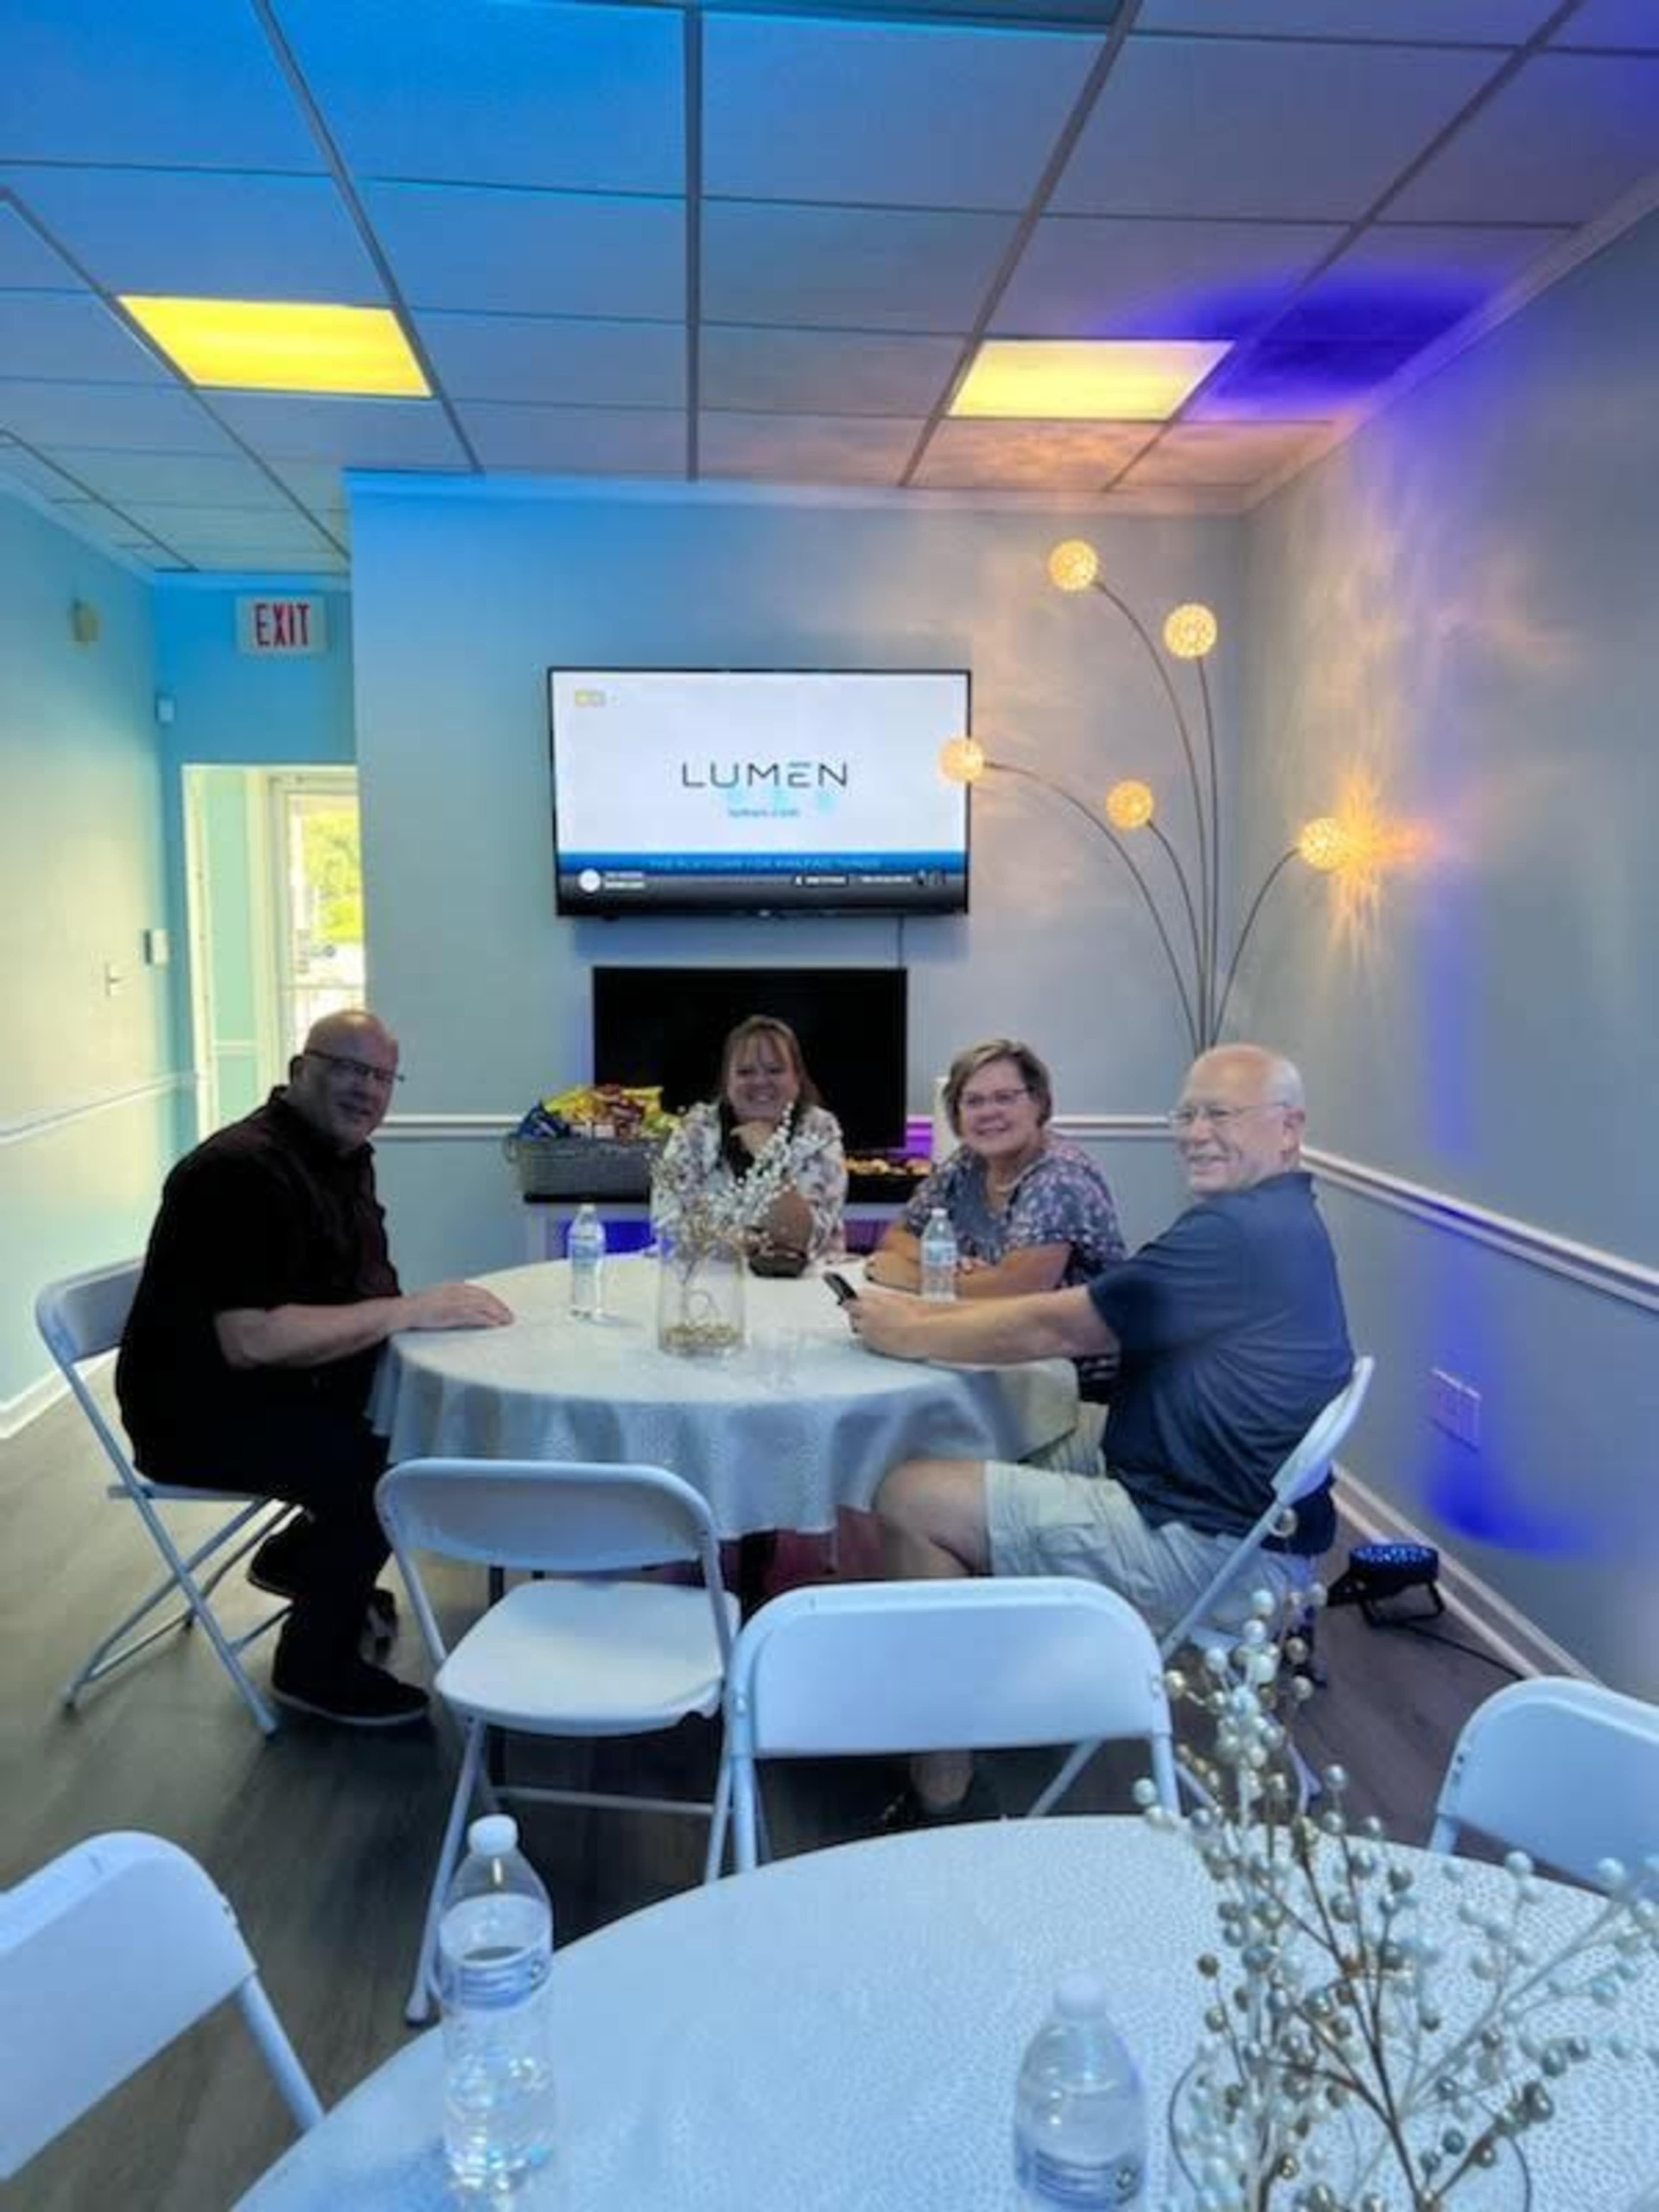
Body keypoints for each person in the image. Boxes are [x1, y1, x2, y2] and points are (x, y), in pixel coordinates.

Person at [850, 1043, 1353, 1824]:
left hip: (1206, 1542)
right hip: (1216, 1496)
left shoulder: (1238, 1236)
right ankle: (978, 1671)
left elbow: (1054, 1325)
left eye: (1220, 1114)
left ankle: (943, 1790)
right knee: (990, 1442)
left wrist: (907, 1327)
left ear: (1289, 1130)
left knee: (910, 1495)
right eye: (1186, 1114)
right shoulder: (1274, 1216)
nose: (1195, 1133)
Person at [116, 1009, 514, 1729]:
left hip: (287, 1388)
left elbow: (359, 1290)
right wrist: (410, 1313)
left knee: (423, 1416)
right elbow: (252, 1342)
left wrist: (413, 1330)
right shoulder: (238, 1172)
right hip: (199, 1412)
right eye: (347, 1068)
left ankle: (304, 1560)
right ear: (300, 1070)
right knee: (386, 1465)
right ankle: (313, 1667)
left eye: (382, 1077)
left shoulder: (340, 1156)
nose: (366, 1090)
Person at [865, 1038, 1124, 1354]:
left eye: (1005, 1098)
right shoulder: (967, 1162)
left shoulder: (1059, 1176)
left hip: (1073, 1377)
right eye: (974, 1101)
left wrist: (917, 1277)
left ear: (1038, 1102)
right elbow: (896, 1236)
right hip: (997, 1347)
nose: (989, 1113)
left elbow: (1017, 1289)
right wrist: (951, 1264)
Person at [651, 1014, 847, 1266]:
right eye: (745, 1072)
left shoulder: (821, 1130)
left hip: (800, 1287)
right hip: (708, 1282)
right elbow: (666, 1225)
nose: (760, 1082)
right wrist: (739, 1242)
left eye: (775, 1070)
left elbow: (802, 1240)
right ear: (727, 1083)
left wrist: (768, 1156)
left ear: (797, 1079)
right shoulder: (697, 1129)